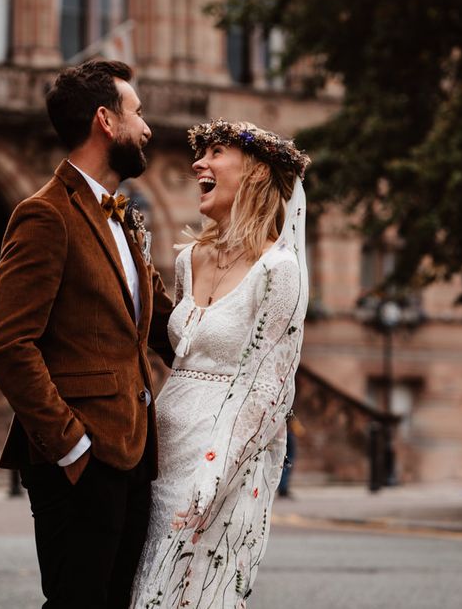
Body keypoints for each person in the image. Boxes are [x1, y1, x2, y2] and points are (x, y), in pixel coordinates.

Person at [0, 59, 175, 609]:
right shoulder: (44, 215)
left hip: (135, 453)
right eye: (137, 112)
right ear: (105, 122)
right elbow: (7, 343)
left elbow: (161, 324)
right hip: (82, 460)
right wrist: (71, 446)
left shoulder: (124, 217)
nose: (147, 127)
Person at [131, 118, 310, 608]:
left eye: (215, 154)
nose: (198, 164)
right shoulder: (190, 260)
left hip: (216, 458)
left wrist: (216, 474)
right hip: (160, 448)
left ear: (253, 173)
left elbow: (268, 390)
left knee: (193, 595)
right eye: (200, 152)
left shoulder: (280, 271)